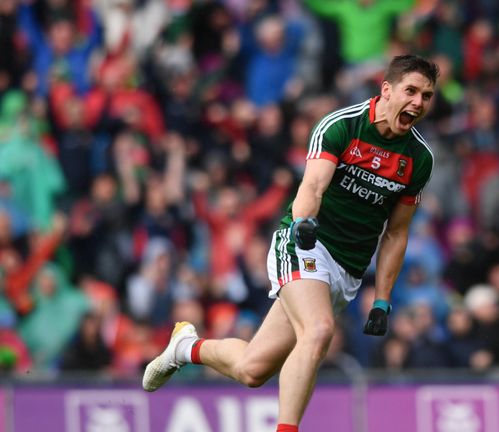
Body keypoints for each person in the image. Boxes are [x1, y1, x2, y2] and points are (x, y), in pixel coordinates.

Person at [142, 54, 439, 432]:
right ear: (386, 90)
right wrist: (303, 222)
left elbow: (397, 232)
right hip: (306, 244)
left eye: (426, 96)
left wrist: (382, 299)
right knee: (319, 331)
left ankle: (185, 347)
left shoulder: (419, 158)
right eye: (411, 91)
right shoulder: (341, 126)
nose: (418, 102)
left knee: (252, 369)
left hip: (347, 270)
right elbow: (312, 186)